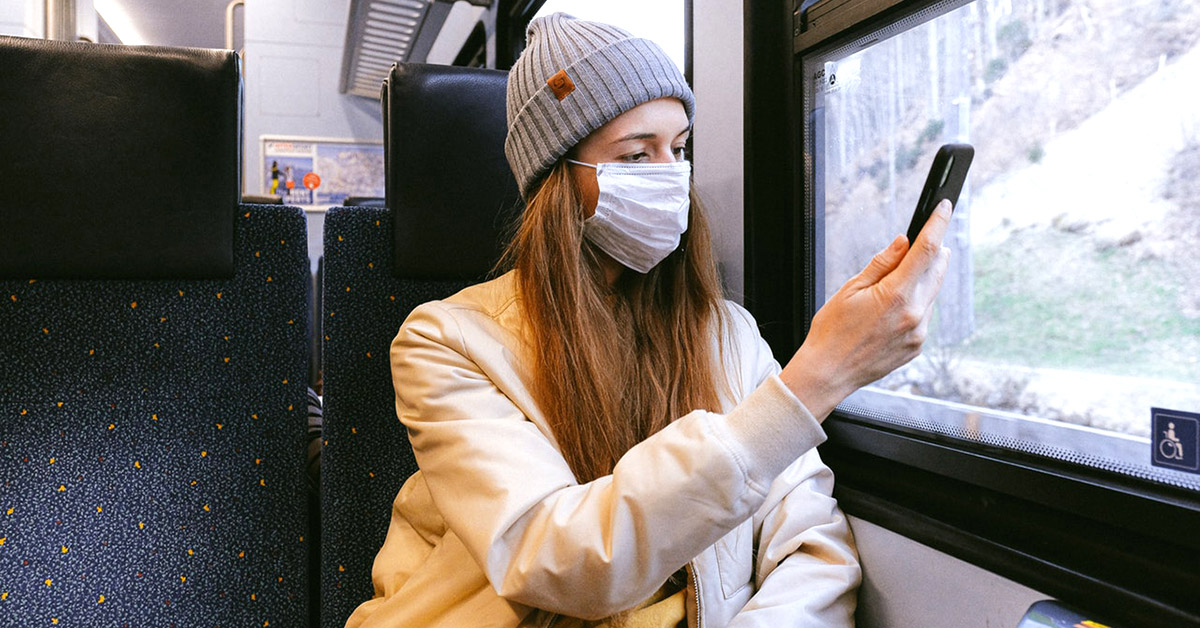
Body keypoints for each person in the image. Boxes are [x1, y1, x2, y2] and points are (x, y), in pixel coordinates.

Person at [346, 13, 951, 628]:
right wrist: (818, 377)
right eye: (637, 154)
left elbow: (810, 544)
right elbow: (556, 560)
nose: (672, 176)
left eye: (679, 148)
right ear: (556, 182)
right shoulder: (446, 342)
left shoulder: (727, 334)